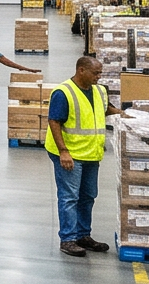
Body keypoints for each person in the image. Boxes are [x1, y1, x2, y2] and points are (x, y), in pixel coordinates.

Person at [46, 56, 112, 257]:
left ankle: (83, 235)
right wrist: (63, 151)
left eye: (100, 73)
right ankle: (68, 239)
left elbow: (105, 109)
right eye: (95, 73)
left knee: (88, 196)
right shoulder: (63, 92)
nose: (99, 77)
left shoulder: (99, 91)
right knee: (70, 197)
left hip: (91, 153)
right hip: (70, 153)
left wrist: (125, 114)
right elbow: (54, 121)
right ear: (81, 70)